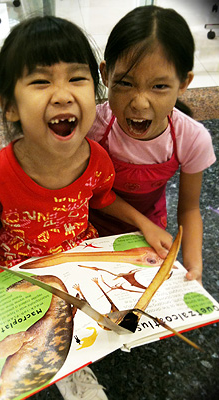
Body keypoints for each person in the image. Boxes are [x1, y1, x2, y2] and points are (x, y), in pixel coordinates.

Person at [0, 15, 172, 400]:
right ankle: (70, 373)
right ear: (10, 107)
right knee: (45, 334)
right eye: (40, 81)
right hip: (23, 272)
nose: (64, 93)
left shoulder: (97, 159)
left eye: (76, 78)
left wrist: (144, 225)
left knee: (106, 316)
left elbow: (103, 198)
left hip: (78, 256)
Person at [88, 5, 216, 285]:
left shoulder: (191, 138)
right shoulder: (91, 126)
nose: (140, 102)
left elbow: (190, 209)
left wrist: (194, 267)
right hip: (89, 227)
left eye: (159, 87)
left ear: (184, 83)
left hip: (148, 232)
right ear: (105, 74)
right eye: (125, 83)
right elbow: (89, 193)